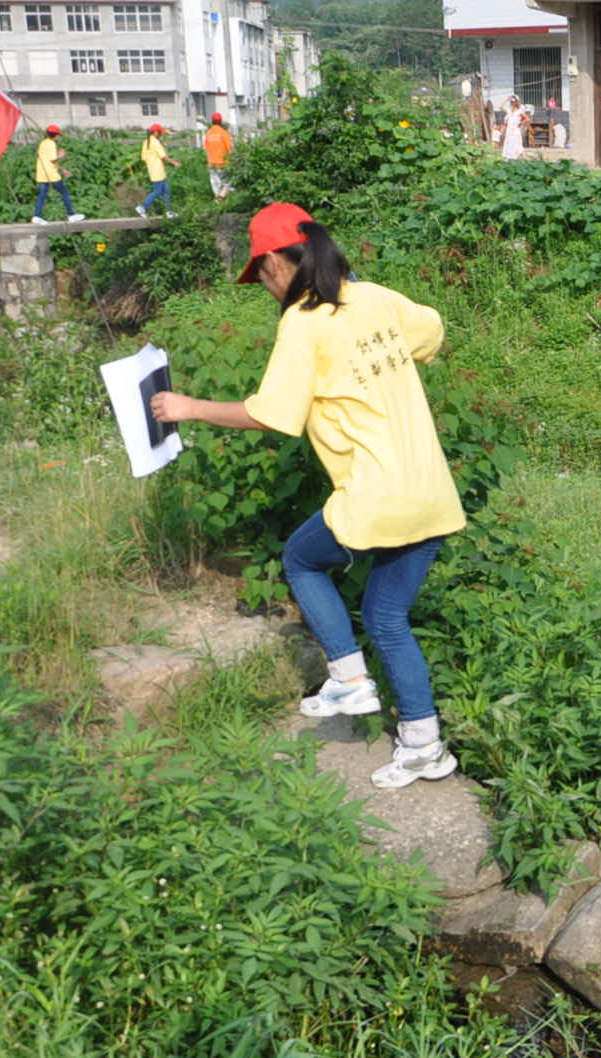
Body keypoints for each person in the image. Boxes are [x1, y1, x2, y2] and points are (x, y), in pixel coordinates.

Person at [148, 204, 467, 789]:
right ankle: (424, 745)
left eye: (260, 274)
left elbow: (271, 414)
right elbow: (432, 331)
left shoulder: (303, 318)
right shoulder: (371, 296)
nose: (263, 286)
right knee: (386, 615)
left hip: (377, 494)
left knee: (301, 559)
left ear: (275, 261)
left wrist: (187, 408)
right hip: (431, 490)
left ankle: (348, 678)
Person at [31, 124, 84, 223]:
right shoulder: (51, 144)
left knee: (42, 195)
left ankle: (37, 216)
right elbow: (53, 159)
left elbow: (49, 160)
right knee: (64, 191)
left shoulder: (42, 143)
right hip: (51, 174)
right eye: (58, 135)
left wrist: (63, 170)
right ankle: (71, 215)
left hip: (42, 173)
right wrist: (61, 155)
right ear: (55, 135)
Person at [136, 123, 178, 216]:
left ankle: (169, 212)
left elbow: (143, 158)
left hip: (153, 170)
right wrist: (174, 163)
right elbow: (164, 156)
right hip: (158, 171)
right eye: (160, 133)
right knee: (157, 191)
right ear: (155, 132)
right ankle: (142, 207)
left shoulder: (146, 142)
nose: (160, 134)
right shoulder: (155, 142)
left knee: (166, 191)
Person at [203, 111, 233, 199]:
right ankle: (221, 197)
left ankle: (218, 199)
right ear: (221, 121)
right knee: (228, 181)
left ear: (212, 121)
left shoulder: (208, 133)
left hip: (212, 163)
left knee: (216, 183)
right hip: (223, 162)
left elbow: (206, 149)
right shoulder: (224, 133)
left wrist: (208, 162)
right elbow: (230, 148)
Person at [499, 96, 527, 161]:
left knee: (515, 143)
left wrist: (520, 122)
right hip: (509, 130)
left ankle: (516, 157)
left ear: (516, 103)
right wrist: (506, 100)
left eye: (513, 102)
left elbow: (527, 118)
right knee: (509, 143)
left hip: (515, 130)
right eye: (511, 102)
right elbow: (500, 107)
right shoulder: (509, 111)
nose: (512, 103)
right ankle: (508, 158)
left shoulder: (519, 111)